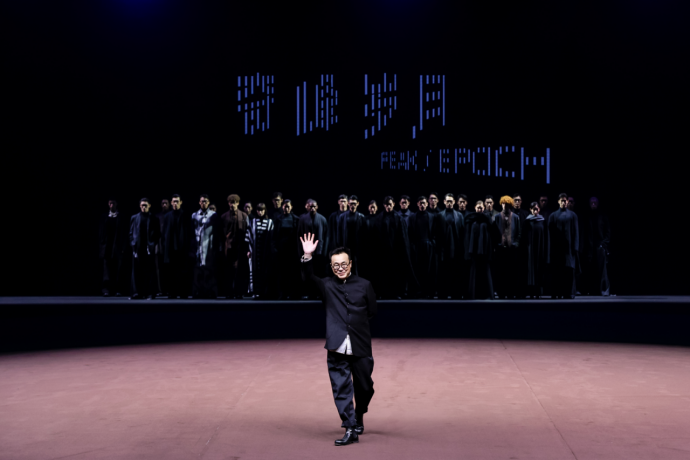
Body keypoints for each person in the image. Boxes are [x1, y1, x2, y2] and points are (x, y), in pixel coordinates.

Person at [300, 233, 377, 447]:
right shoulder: (326, 285)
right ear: (331, 266)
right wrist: (307, 256)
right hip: (336, 345)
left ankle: (359, 413)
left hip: (360, 344)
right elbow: (308, 278)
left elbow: (372, 311)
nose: (340, 268)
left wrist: (355, 325)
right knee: (341, 388)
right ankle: (350, 427)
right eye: (335, 265)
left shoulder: (365, 285)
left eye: (343, 264)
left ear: (350, 264)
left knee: (365, 387)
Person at [370, 196, 415, 299]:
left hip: (396, 252)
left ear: (393, 204)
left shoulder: (398, 218)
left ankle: (396, 293)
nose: (388, 207)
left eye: (390, 204)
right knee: (384, 272)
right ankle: (384, 293)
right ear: (384, 205)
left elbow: (403, 237)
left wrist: (402, 251)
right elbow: (375, 237)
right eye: (386, 205)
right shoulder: (379, 218)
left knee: (396, 273)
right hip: (383, 252)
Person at [464, 201, 499, 300]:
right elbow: (467, 235)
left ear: (484, 208)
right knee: (473, 272)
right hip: (474, 251)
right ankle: (473, 294)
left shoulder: (488, 219)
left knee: (486, 272)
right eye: (478, 207)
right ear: (475, 208)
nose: (480, 209)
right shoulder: (470, 218)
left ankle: (488, 294)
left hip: (485, 251)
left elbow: (494, 233)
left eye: (481, 208)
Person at [547, 193, 579, 299]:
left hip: (569, 249)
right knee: (557, 271)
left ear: (567, 202)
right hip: (557, 249)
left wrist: (575, 247)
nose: (564, 202)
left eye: (565, 200)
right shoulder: (553, 215)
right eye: (562, 200)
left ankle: (568, 293)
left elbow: (576, 232)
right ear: (558, 201)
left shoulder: (573, 215)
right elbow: (550, 235)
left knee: (569, 271)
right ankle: (557, 292)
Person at [191, 194, 221, 299]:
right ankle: (198, 292)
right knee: (198, 270)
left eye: (205, 201)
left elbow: (217, 232)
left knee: (210, 270)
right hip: (198, 246)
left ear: (208, 203)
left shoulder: (214, 215)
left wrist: (217, 247)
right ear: (199, 202)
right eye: (202, 201)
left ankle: (210, 291)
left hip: (209, 246)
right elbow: (191, 232)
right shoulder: (194, 215)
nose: (203, 203)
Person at [297, 199, 329, 298]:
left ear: (317, 207)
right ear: (307, 207)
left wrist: (324, 251)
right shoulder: (303, 219)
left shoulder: (322, 219)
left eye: (314, 206)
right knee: (307, 273)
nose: (312, 208)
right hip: (306, 251)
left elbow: (326, 236)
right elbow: (299, 235)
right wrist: (300, 251)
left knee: (318, 273)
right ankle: (308, 293)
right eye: (311, 206)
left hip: (319, 251)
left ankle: (318, 293)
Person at [129, 198, 160, 300]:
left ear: (149, 206)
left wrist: (153, 245)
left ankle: (150, 293)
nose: (143, 207)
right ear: (139, 206)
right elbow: (131, 232)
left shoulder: (154, 218)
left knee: (149, 271)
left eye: (145, 205)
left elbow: (157, 234)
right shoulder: (134, 217)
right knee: (137, 272)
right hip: (138, 248)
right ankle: (137, 293)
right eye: (142, 205)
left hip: (149, 248)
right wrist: (133, 244)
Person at [407, 196, 438, 298]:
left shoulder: (432, 216)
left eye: (424, 203)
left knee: (428, 270)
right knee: (418, 269)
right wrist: (413, 245)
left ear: (427, 204)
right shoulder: (412, 217)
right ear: (417, 204)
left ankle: (428, 291)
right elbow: (410, 232)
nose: (422, 205)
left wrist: (432, 243)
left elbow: (435, 232)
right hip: (417, 246)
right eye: (420, 203)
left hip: (428, 245)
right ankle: (418, 292)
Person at [161, 194, 190, 299]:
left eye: (177, 201)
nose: (175, 203)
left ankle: (183, 292)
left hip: (182, 249)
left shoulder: (185, 215)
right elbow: (164, 233)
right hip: (171, 249)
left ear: (181, 202)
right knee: (171, 272)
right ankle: (172, 292)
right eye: (174, 201)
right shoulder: (167, 216)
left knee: (183, 271)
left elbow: (189, 232)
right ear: (171, 202)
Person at [492, 196, 521, 298]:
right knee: (500, 272)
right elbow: (493, 233)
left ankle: (510, 293)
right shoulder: (497, 217)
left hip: (511, 249)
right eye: (503, 204)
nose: (504, 205)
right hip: (500, 250)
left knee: (511, 272)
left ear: (510, 205)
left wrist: (515, 244)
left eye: (507, 204)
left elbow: (519, 233)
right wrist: (497, 244)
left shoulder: (516, 217)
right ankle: (501, 292)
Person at [437, 193, 465, 299]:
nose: (449, 203)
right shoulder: (439, 215)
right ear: (444, 202)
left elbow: (462, 232)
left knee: (455, 271)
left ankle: (456, 293)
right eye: (447, 201)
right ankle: (443, 293)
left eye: (451, 201)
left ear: (454, 202)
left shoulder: (459, 215)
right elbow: (436, 232)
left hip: (456, 248)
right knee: (443, 271)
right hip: (444, 248)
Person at [221, 194, 249, 299]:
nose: (232, 204)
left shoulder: (244, 216)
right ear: (228, 203)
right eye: (231, 202)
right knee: (228, 270)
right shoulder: (224, 216)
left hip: (240, 247)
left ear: (238, 203)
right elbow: (221, 232)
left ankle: (239, 292)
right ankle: (229, 292)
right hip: (228, 246)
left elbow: (247, 231)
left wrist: (247, 248)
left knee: (239, 270)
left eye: (234, 202)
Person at [246, 203, 276, 299]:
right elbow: (248, 236)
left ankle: (265, 292)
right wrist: (249, 250)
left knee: (265, 271)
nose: (260, 212)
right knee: (255, 271)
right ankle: (256, 291)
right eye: (258, 210)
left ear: (265, 211)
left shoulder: (270, 222)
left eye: (262, 210)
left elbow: (272, 237)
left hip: (266, 251)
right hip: (255, 251)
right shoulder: (253, 222)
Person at [99, 199, 127, 296]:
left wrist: (123, 247)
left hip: (118, 247)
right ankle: (106, 290)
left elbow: (124, 233)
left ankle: (117, 289)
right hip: (107, 247)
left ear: (116, 204)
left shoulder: (121, 217)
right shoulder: (104, 216)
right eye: (110, 203)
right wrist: (102, 246)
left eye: (113, 203)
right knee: (106, 270)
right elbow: (101, 232)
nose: (112, 205)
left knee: (118, 269)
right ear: (108, 204)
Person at [584, 197, 611, 296]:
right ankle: (592, 291)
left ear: (598, 204)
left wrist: (603, 243)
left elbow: (608, 232)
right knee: (591, 270)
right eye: (592, 203)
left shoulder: (603, 216)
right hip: (590, 247)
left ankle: (603, 290)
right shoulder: (587, 216)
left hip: (600, 246)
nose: (593, 204)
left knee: (602, 270)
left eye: (595, 203)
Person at [336, 195, 368, 276]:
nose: (352, 205)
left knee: (357, 266)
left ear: (358, 204)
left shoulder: (361, 217)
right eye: (351, 204)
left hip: (358, 246)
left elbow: (365, 235)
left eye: (354, 203)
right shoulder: (342, 217)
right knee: (346, 264)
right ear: (348, 204)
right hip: (346, 245)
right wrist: (340, 246)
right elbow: (339, 233)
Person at [275, 199, 300, 299]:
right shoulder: (278, 219)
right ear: (282, 207)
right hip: (281, 250)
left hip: (292, 250)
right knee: (282, 272)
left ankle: (292, 293)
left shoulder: (296, 219)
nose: (286, 208)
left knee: (292, 272)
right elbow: (274, 235)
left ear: (291, 207)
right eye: (285, 206)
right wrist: (275, 248)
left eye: (288, 206)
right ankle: (282, 294)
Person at [524, 202, 547, 298]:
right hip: (530, 248)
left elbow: (545, 235)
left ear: (539, 209)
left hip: (540, 247)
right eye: (533, 209)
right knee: (531, 269)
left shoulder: (543, 221)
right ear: (530, 209)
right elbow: (524, 236)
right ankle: (531, 292)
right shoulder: (527, 221)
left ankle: (538, 292)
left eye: (537, 209)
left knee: (539, 268)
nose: (535, 210)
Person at [155, 199, 171, 297]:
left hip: (169, 246)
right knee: (159, 269)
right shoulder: (157, 216)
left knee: (168, 269)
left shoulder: (171, 215)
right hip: (159, 246)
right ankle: (160, 289)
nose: (164, 205)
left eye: (166, 203)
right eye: (163, 203)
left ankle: (169, 289)